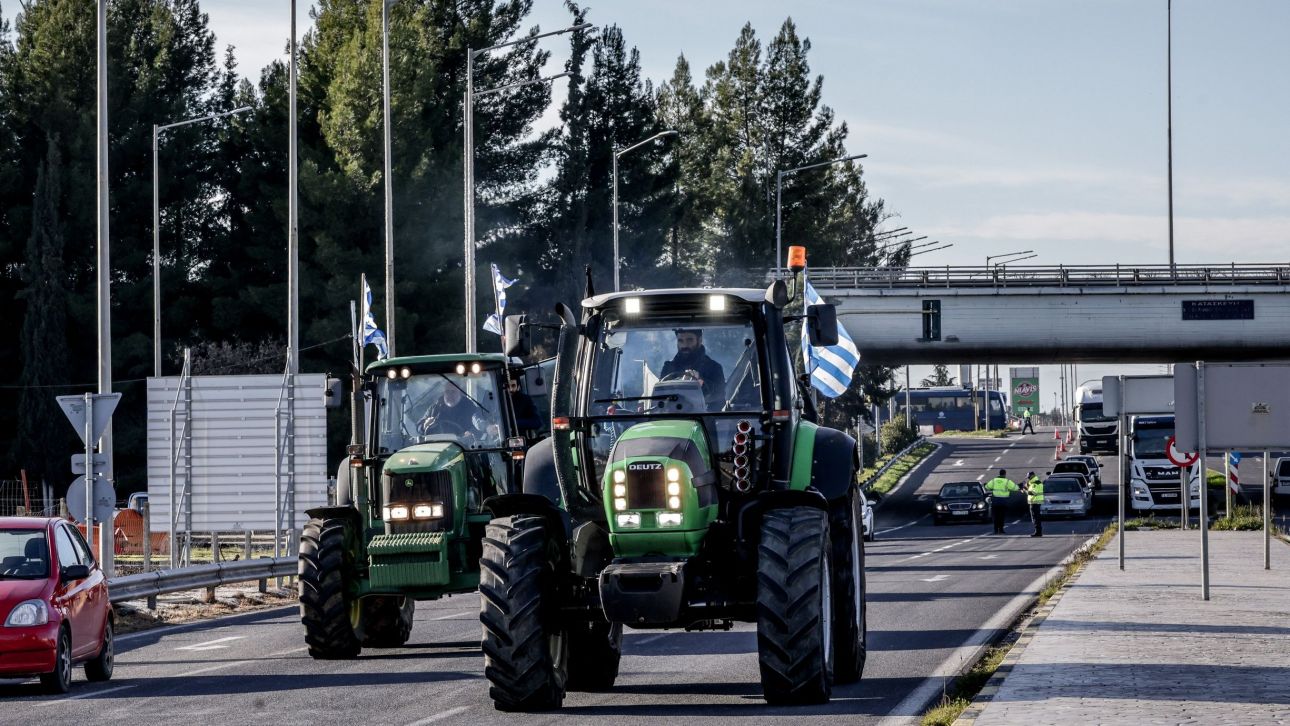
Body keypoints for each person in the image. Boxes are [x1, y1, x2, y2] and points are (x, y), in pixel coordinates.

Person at [660, 328, 726, 408]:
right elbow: (660, 396)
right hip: (672, 417)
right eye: (680, 340)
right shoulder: (668, 367)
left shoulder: (714, 368)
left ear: (700, 340)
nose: (684, 345)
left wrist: (701, 383)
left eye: (689, 340)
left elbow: (719, 397)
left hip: (703, 418)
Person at [983, 469, 1020, 534]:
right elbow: (1016, 488)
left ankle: (995, 530)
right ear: (1005, 474)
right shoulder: (1007, 481)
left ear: (999, 474)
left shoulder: (994, 480)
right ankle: (1001, 529)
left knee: (995, 516)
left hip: (995, 501)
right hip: (1003, 502)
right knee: (1001, 516)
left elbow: (987, 487)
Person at [1026, 472, 1045, 537]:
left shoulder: (1036, 483)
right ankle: (1037, 531)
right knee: (1035, 518)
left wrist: (1026, 490)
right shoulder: (1033, 483)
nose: (1028, 478)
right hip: (1034, 502)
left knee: (1036, 518)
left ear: (1032, 476)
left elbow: (1034, 493)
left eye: (1029, 477)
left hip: (1035, 502)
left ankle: (1038, 532)